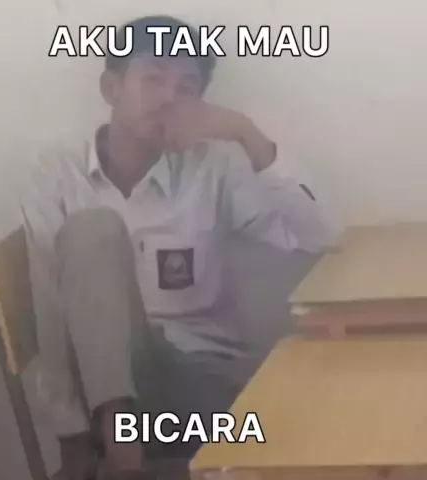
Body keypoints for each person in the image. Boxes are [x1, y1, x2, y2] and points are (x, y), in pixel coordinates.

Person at [20, 14, 338, 480]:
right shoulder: (56, 175)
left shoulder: (213, 167)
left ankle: (124, 460)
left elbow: (317, 235)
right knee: (92, 230)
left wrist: (246, 133)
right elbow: (48, 306)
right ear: (111, 88)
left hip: (198, 385)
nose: (170, 98)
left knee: (330, 414)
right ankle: (123, 457)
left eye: (187, 88)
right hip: (97, 400)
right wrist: (71, 437)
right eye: (154, 79)